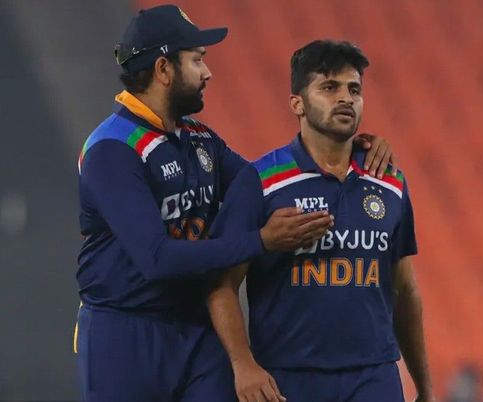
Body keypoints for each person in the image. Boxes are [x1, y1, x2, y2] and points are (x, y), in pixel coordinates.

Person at [75, 5, 397, 402]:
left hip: (198, 330)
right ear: (163, 69)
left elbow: (267, 187)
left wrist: (351, 149)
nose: (207, 73)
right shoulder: (112, 148)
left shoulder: (198, 139)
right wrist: (261, 241)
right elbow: (155, 259)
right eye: (197, 61)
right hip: (125, 333)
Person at [208, 40, 434, 402]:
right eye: (329, 87)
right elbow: (221, 285)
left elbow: (405, 290)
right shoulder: (261, 181)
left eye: (354, 89)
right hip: (287, 379)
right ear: (296, 102)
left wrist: (425, 387)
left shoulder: (390, 183)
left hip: (374, 377)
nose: (345, 97)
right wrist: (243, 365)